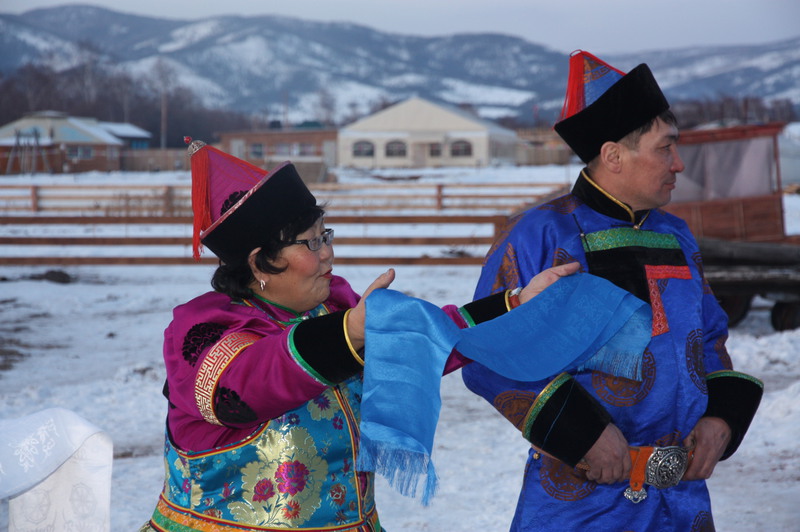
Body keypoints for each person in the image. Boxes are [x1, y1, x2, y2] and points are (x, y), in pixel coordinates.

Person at [140, 138, 590, 532]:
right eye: (312, 243)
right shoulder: (203, 332)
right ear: (259, 263)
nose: (329, 254)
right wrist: (348, 333)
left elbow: (423, 338)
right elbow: (248, 384)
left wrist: (514, 305)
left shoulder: (332, 307)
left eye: (326, 235)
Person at [462, 50, 764, 531]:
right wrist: (579, 432)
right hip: (581, 501)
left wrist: (719, 418)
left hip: (682, 501)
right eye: (665, 148)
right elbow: (488, 353)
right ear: (613, 155)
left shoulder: (677, 236)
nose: (679, 164)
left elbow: (709, 339)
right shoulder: (538, 235)